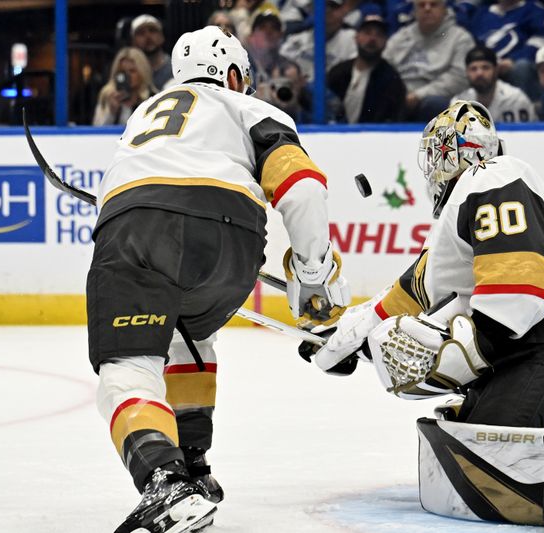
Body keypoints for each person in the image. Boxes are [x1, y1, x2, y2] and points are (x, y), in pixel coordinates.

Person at [309, 100, 544, 531]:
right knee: (460, 435)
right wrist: (347, 339)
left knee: (487, 454)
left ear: (446, 152)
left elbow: (526, 278)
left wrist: (475, 347)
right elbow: (413, 291)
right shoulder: (470, 203)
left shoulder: (491, 176)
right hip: (539, 349)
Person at [89, 26, 350, 533]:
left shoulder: (143, 114)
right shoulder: (254, 110)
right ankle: (193, 465)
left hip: (136, 227)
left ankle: (165, 478)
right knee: (190, 335)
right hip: (233, 242)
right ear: (233, 74)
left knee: (127, 368)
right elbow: (302, 189)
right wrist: (314, 277)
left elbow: (128, 194)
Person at [383, 0, 474, 121]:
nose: (427, 9)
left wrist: (418, 95)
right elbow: (383, 67)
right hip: (400, 97)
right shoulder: (400, 37)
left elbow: (459, 78)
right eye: (421, 5)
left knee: (433, 103)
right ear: (414, 11)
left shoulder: (460, 38)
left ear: (444, 10)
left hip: (435, 100)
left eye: (433, 4)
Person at [327, 3, 406, 123]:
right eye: (367, 32)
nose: (372, 39)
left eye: (379, 34)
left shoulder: (391, 80)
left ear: (386, 41)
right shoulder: (338, 72)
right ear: (356, 37)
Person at [464, 0, 544, 100]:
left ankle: (527, 110)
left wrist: (512, 60)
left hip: (517, 66)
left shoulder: (535, 10)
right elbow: (474, 45)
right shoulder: (481, 14)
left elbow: (541, 41)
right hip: (488, 66)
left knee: (522, 67)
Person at [450, 45, 537, 123]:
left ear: (496, 70)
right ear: (467, 73)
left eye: (485, 67)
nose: (479, 73)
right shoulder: (459, 104)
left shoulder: (515, 99)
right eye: (473, 69)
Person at [280, 0, 357, 83]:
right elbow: (280, 64)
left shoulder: (352, 40)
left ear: (343, 12)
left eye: (333, 7)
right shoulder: (297, 39)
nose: (327, 12)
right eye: (323, 8)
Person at [92, 47, 156, 126]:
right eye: (122, 72)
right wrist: (111, 112)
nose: (127, 76)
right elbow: (97, 132)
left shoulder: (154, 99)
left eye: (132, 71)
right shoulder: (107, 96)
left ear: (142, 72)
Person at [130, 14, 172, 90]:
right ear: (133, 41)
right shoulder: (130, 71)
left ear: (162, 36)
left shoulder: (174, 68)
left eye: (152, 30)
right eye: (141, 33)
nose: (148, 36)